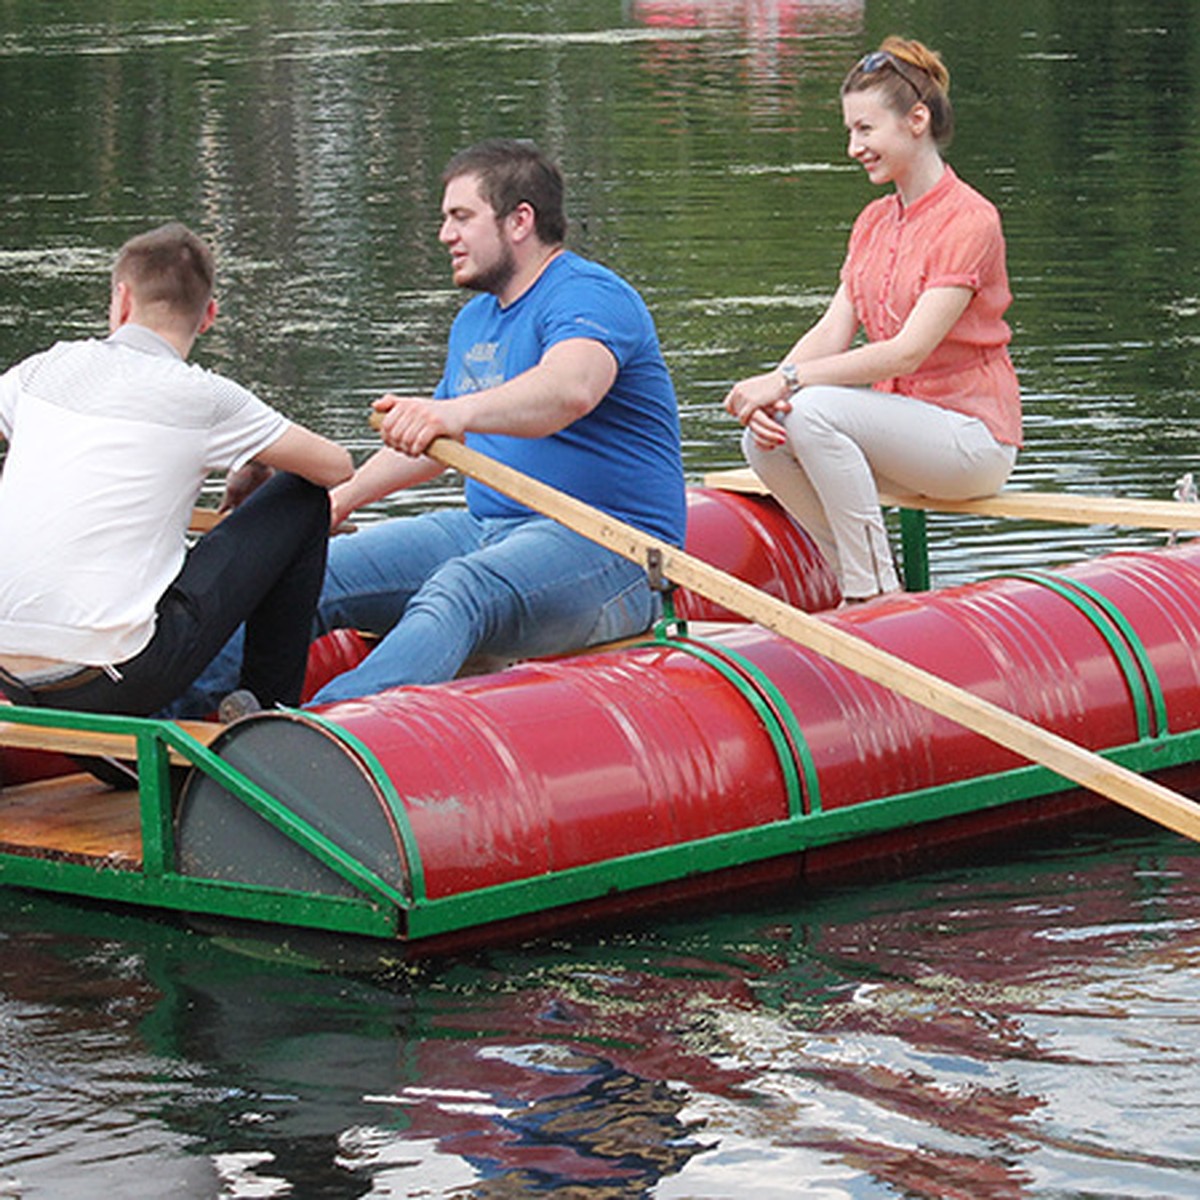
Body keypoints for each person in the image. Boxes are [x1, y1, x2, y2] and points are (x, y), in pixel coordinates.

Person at [177, 137, 687, 710]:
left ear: (520, 221)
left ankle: (314, 733)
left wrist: (453, 410)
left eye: (461, 217)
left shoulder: (590, 295)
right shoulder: (475, 321)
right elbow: (436, 444)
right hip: (488, 526)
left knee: (458, 589)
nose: (446, 235)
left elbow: (571, 389)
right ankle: (170, 717)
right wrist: (338, 502)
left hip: (611, 551)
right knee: (311, 572)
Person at [0, 222, 352, 723]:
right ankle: (269, 715)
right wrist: (257, 460)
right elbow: (335, 466)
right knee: (304, 498)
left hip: (9, 673)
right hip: (116, 678)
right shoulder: (205, 396)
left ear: (121, 300)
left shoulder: (42, 370)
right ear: (208, 316)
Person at [723, 36, 1021, 603]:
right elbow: (833, 329)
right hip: (901, 432)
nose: (852, 146)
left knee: (810, 410)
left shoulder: (970, 220)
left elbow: (907, 352)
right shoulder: (873, 221)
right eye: (850, 131)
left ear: (916, 120)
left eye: (865, 129)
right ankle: (861, 579)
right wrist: (770, 393)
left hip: (972, 439)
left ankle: (873, 595)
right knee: (765, 439)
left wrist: (787, 384)